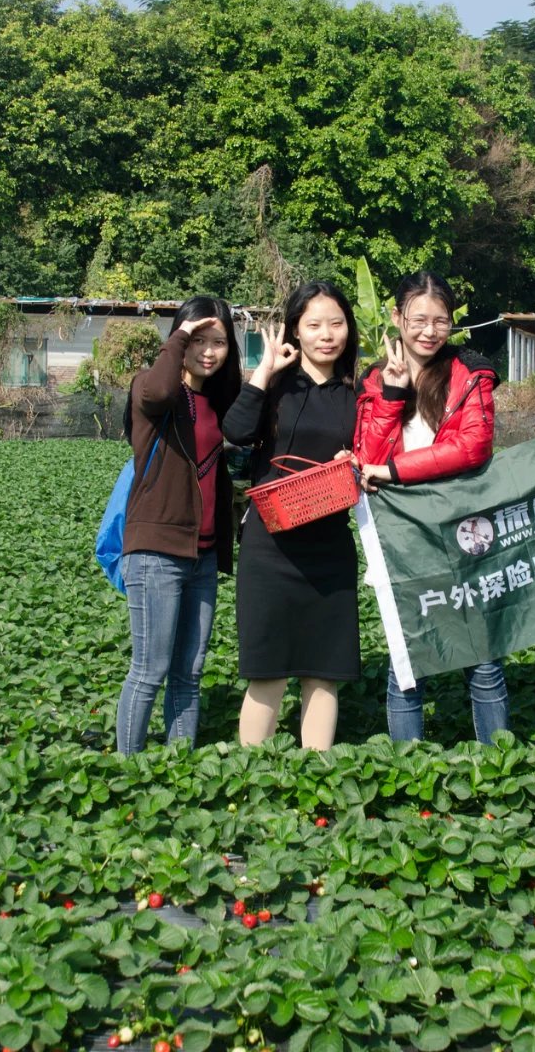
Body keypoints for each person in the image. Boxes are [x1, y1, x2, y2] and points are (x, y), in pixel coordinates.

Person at [354, 271, 510, 744]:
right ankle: (408, 767)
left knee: (483, 659)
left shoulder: (471, 372)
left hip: (462, 528)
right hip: (403, 536)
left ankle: (499, 764)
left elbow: (473, 446)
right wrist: (394, 395)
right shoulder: (374, 379)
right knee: (408, 664)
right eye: (418, 319)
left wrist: (398, 472)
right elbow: (368, 458)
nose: (429, 330)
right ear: (397, 318)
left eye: (440, 321)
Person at [223, 281, 360, 752]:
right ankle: (251, 779)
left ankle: (314, 779)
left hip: (329, 548)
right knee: (267, 671)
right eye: (314, 325)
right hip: (270, 547)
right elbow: (237, 432)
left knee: (324, 674)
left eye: (336, 323)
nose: (327, 335)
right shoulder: (276, 386)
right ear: (294, 331)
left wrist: (355, 460)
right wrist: (263, 371)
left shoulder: (358, 392)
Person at [117, 296, 241, 754]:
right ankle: (128, 767)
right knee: (149, 669)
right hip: (156, 552)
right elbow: (158, 393)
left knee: (189, 673)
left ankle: (179, 768)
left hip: (202, 555)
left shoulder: (216, 402)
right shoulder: (152, 390)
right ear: (179, 339)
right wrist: (179, 337)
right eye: (198, 340)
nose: (208, 351)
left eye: (219, 342)